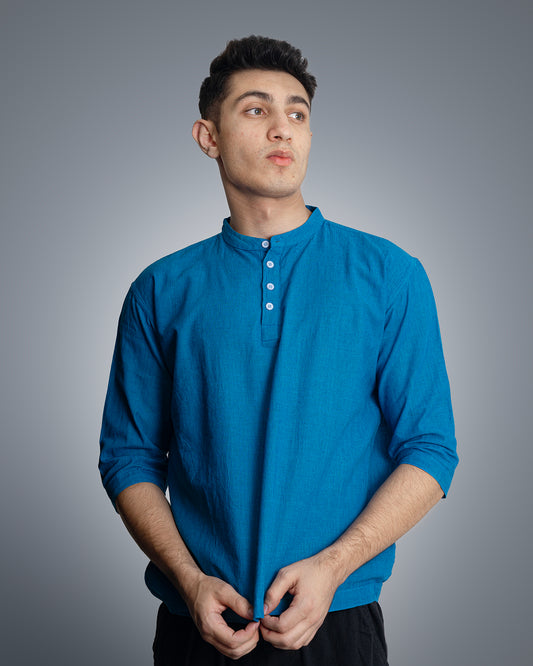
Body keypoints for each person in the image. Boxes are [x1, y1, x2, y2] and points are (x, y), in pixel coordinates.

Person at [99, 35, 458, 665]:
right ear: (208, 136)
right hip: (199, 621)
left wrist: (334, 567)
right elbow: (128, 457)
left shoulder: (389, 275)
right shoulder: (160, 290)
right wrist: (189, 580)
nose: (282, 128)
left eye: (297, 113)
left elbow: (431, 449)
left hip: (337, 618)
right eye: (255, 109)